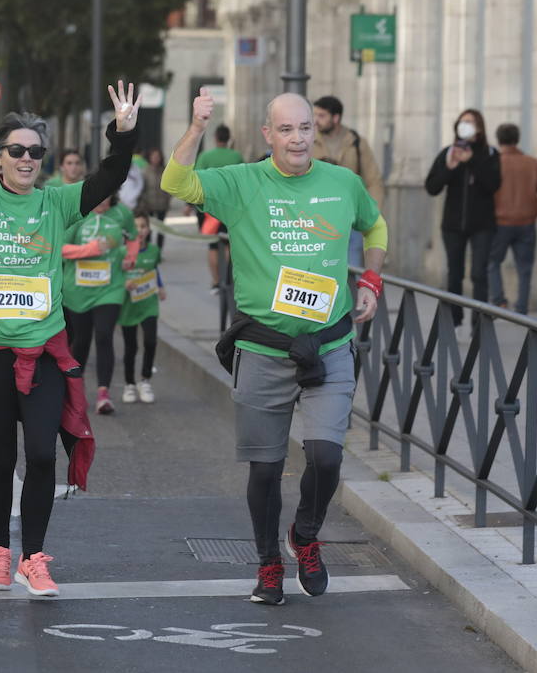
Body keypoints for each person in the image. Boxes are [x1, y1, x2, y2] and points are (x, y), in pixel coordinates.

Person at [162, 89, 387, 606]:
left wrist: (371, 279)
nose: (297, 138)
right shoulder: (242, 184)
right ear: (268, 135)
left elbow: (374, 224)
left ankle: (304, 537)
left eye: (305, 128)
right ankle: (268, 564)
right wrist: (196, 126)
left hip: (329, 344)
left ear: (316, 131)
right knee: (265, 468)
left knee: (326, 457)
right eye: (286, 129)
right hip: (264, 350)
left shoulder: (342, 182)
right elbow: (175, 181)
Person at [0, 58, 139, 596]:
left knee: (42, 453)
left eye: (34, 152)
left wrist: (123, 132)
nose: (26, 159)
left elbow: (111, 176)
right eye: (16, 151)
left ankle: (34, 556)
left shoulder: (58, 203)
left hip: (42, 350)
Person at [425, 109, 501, 327]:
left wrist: (472, 162)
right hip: (453, 224)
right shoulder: (448, 153)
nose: (465, 125)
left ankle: (480, 324)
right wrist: (450, 168)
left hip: (482, 224)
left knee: (479, 274)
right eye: (462, 122)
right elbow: (432, 186)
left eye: (470, 122)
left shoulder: (490, 154)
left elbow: (494, 185)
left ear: (479, 128)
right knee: (454, 274)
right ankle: (455, 321)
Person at [63, 197, 132, 414]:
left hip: (109, 289)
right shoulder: (77, 219)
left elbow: (132, 241)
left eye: (107, 195)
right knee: (81, 340)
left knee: (104, 335)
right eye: (98, 195)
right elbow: (60, 248)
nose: (102, 199)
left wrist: (130, 257)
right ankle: (75, 389)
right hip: (78, 291)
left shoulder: (119, 218)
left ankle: (104, 394)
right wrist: (90, 249)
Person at [488, 123, 537, 314]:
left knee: (492, 262)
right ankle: (521, 309)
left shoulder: (494, 162)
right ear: (517, 139)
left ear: (498, 140)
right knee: (525, 268)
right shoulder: (531, 163)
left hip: (500, 223)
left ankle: (499, 300)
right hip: (526, 223)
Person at [311, 95, 386, 267]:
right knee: (319, 266)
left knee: (352, 268)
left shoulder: (356, 142)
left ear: (335, 118)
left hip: (350, 216)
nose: (316, 121)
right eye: (314, 115)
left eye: (321, 116)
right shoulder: (309, 140)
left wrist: (373, 213)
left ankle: (349, 294)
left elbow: (373, 180)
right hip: (317, 217)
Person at [120, 210, 165, 404]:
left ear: (148, 229)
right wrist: (124, 283)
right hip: (128, 305)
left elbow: (154, 269)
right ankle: (129, 384)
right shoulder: (122, 252)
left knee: (150, 341)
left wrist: (161, 287)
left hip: (148, 303)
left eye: (143, 226)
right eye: (136, 226)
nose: (140, 230)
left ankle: (145, 380)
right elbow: (114, 274)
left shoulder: (154, 250)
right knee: (131, 346)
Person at [195, 123, 243, 294]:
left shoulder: (206, 156)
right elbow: (242, 182)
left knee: (213, 246)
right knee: (230, 245)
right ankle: (229, 279)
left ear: (215, 138)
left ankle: (216, 281)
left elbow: (196, 180)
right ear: (228, 138)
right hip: (231, 207)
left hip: (209, 209)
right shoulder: (236, 156)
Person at [137, 147, 171, 257]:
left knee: (161, 229)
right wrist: (143, 203)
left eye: (157, 156)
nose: (155, 159)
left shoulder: (165, 171)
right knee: (148, 230)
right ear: (150, 158)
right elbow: (142, 188)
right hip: (149, 205)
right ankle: (148, 250)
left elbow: (169, 187)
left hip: (162, 205)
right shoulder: (145, 171)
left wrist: (167, 199)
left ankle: (159, 252)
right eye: (153, 156)